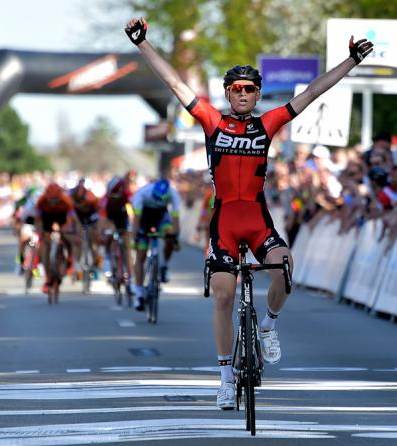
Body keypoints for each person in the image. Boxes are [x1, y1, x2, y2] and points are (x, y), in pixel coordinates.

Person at [125, 16, 373, 410]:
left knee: (285, 266)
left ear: (258, 95)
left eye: (250, 89)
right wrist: (143, 45)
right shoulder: (212, 121)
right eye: (236, 88)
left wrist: (350, 63)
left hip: (257, 220)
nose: (243, 94)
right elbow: (175, 84)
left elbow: (311, 92)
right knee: (223, 298)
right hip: (224, 220)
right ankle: (225, 378)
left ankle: (269, 327)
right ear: (227, 92)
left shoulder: (267, 124)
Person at [130, 177, 181, 311]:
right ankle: (139, 293)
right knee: (140, 255)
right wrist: (135, 237)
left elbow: (175, 219)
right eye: (157, 198)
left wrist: (174, 237)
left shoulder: (173, 194)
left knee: (170, 236)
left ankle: (164, 266)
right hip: (144, 219)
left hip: (161, 217)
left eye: (162, 199)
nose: (159, 201)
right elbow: (136, 221)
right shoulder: (142, 194)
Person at [35, 182, 80, 295]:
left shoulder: (66, 201)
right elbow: (38, 219)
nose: (53, 202)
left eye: (56, 200)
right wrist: (41, 233)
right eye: (51, 199)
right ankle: (48, 278)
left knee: (69, 238)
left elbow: (74, 219)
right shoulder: (41, 201)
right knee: (44, 247)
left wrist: (76, 234)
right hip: (47, 220)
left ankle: (70, 260)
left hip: (62, 219)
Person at [70, 178, 101, 277]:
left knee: (93, 239)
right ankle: (78, 266)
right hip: (77, 216)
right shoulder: (71, 195)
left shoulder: (91, 197)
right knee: (77, 239)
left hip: (90, 215)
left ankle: (96, 262)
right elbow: (71, 215)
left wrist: (96, 229)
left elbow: (98, 214)